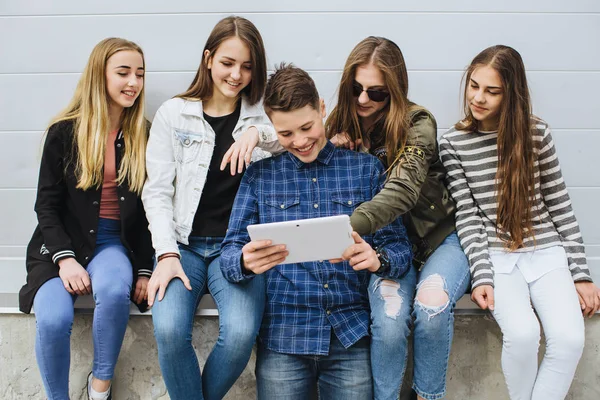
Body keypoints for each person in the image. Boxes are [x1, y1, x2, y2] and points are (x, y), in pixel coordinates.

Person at [220, 63, 413, 400]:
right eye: (285, 134)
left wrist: (376, 258)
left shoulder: (365, 169)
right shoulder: (260, 177)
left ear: (322, 108)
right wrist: (245, 262)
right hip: (283, 338)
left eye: (307, 127)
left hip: (350, 334)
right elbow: (228, 255)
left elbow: (400, 250)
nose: (300, 141)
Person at [439, 44, 600, 400]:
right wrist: (481, 274)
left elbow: (559, 204)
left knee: (570, 339)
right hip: (497, 259)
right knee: (524, 335)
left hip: (546, 252)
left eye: (491, 91)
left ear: (511, 93)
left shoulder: (536, 134)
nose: (478, 98)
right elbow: (467, 217)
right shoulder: (453, 142)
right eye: (474, 85)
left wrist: (581, 273)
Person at [325, 36, 470, 400]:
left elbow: (403, 191)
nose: (362, 100)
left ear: (395, 88)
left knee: (432, 309)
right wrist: (335, 152)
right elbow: (297, 140)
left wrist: (345, 228)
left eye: (376, 93)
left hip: (438, 240)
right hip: (387, 247)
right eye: (356, 88)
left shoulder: (417, 122)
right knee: (390, 322)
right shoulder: (340, 122)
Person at [141, 16, 276, 400]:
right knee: (167, 330)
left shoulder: (260, 115)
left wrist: (256, 132)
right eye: (228, 63)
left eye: (247, 66)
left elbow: (293, 136)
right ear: (208, 59)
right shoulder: (174, 113)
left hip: (235, 250)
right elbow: (157, 192)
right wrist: (166, 253)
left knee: (239, 336)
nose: (236, 75)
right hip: (181, 246)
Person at [20, 37, 153, 400]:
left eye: (140, 74)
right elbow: (45, 206)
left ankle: (100, 387)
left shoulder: (144, 133)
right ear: (100, 75)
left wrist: (143, 268)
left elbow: (148, 211)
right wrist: (64, 259)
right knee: (53, 318)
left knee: (112, 292)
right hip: (60, 243)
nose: (134, 82)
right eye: (123, 72)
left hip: (113, 242)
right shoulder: (64, 132)